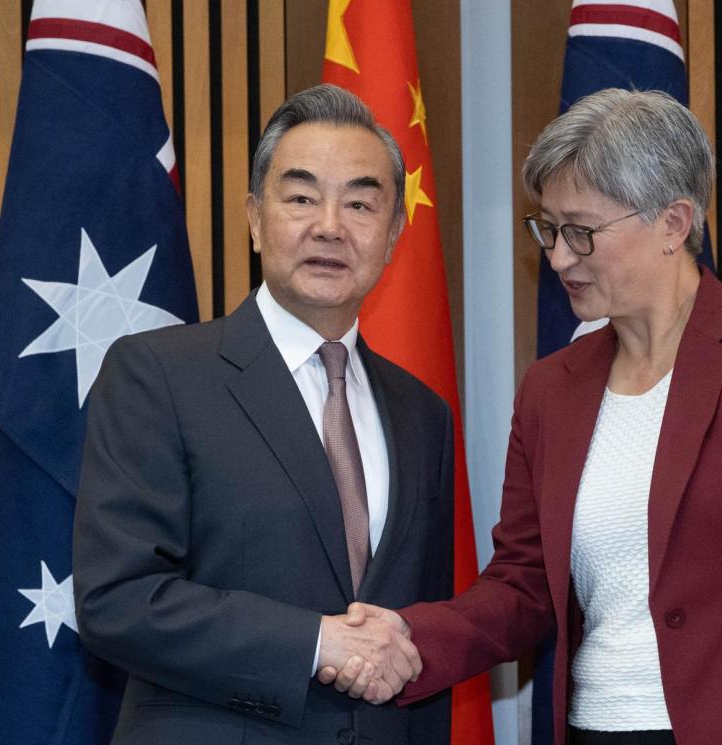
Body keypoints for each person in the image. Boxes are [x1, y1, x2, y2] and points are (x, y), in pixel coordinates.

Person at [324, 89, 722, 744]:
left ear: (673, 223)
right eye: (547, 228)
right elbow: (522, 587)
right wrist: (407, 639)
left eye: (581, 231)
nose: (559, 256)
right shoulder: (551, 389)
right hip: (595, 728)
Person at [73, 83, 453, 745]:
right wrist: (313, 641)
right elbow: (117, 598)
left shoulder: (424, 415)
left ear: (393, 234)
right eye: (301, 197)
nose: (330, 224)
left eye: (361, 203)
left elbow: (413, 636)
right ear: (254, 217)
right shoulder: (157, 374)